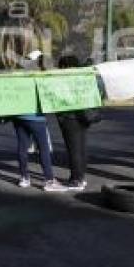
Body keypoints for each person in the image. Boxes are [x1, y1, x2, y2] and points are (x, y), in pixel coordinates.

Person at [12, 50, 65, 192]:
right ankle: (49, 180)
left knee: (22, 147)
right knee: (43, 148)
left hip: (18, 116)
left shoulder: (17, 75)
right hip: (36, 117)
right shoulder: (41, 76)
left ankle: (24, 178)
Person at [54, 55, 99, 191]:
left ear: (64, 67)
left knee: (73, 150)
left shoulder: (64, 81)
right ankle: (81, 177)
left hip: (70, 118)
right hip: (83, 117)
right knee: (81, 148)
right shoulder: (82, 79)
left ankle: (76, 180)